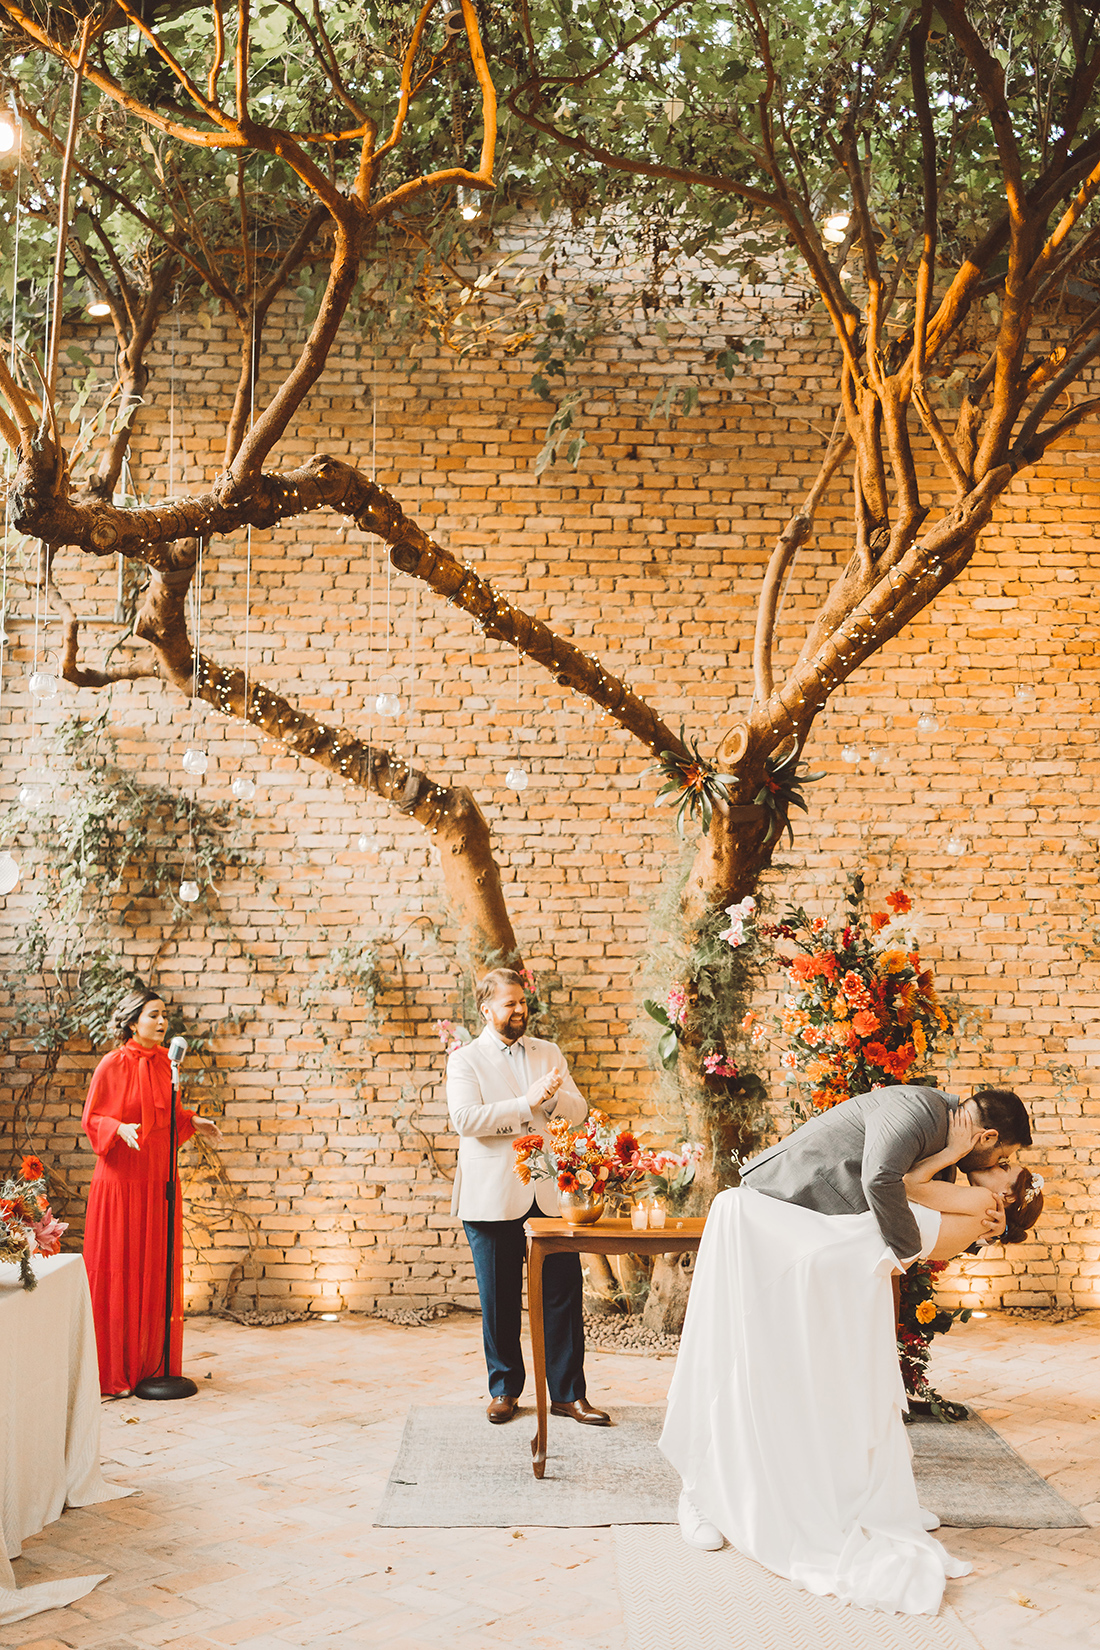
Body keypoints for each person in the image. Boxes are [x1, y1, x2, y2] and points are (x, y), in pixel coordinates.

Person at [659, 1084, 1033, 1617]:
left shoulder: (947, 1143)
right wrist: (905, 1253)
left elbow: (914, 1190)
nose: (1000, 1164)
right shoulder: (919, 1110)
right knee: (744, 1367)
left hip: (828, 1227)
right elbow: (882, 1179)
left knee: (818, 1377)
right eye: (1004, 1156)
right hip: (778, 1212)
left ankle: (868, 1497)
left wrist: (976, 1219)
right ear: (989, 1137)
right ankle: (704, 1489)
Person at [447, 967, 609, 1426]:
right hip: (492, 1194)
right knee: (499, 1299)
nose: (519, 1010)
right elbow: (465, 1120)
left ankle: (568, 1395)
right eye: (509, 1004)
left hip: (548, 1193)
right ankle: (504, 1390)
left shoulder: (548, 1052)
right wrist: (527, 1103)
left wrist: (555, 1100)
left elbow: (576, 1110)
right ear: (486, 1009)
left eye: (522, 1002)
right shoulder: (466, 1059)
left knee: (563, 1295)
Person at [82, 989, 221, 1396]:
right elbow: (92, 1118)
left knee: (153, 1268)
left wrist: (197, 1121)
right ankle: (115, 1370)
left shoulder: (167, 1065)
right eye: (154, 1015)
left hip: (158, 1179)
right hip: (121, 1180)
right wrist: (117, 1128)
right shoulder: (112, 1064)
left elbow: (168, 1115)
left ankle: (148, 1366)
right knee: (119, 1265)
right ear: (132, 1022)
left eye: (165, 1017)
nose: (162, 1023)